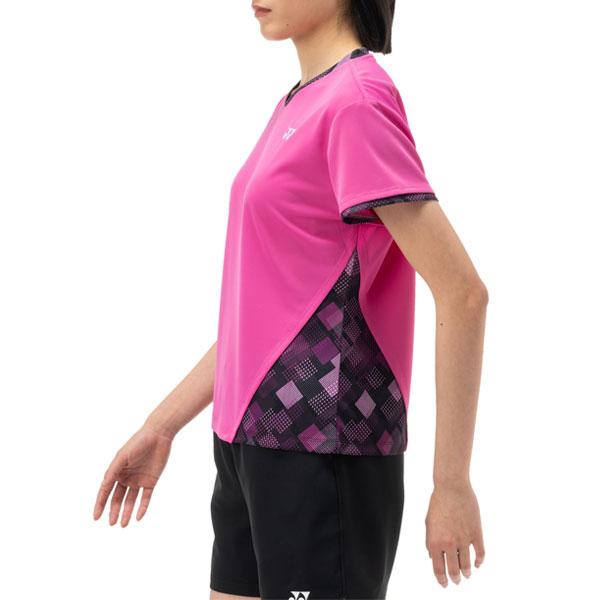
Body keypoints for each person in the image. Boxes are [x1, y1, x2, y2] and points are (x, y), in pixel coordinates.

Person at [93, 1, 488, 599]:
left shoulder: (357, 102)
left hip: (322, 447)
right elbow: (266, 317)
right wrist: (162, 425)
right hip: (246, 441)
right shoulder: (298, 103)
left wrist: (451, 482)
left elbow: (463, 293)